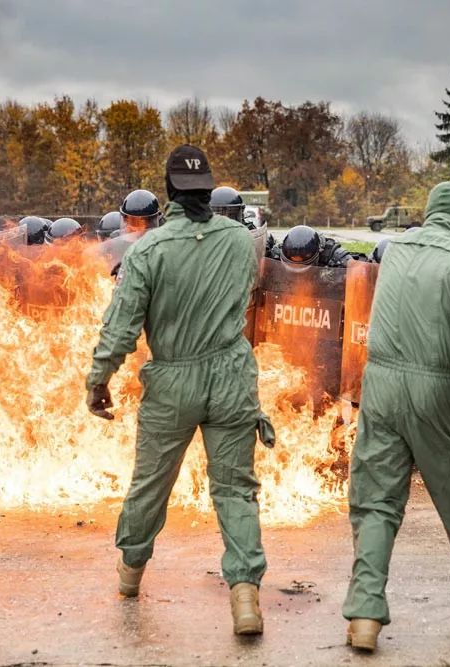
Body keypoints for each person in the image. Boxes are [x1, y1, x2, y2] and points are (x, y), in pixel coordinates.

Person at [86, 145, 269, 635]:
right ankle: (246, 598)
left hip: (173, 380)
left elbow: (122, 326)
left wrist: (99, 377)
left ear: (168, 193)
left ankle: (129, 578)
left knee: (151, 484)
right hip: (232, 376)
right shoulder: (240, 240)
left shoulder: (146, 250)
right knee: (235, 490)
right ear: (209, 189)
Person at [343, 181, 450, 652]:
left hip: (380, 385)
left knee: (375, 500)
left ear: (430, 210)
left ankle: (364, 613)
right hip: (438, 389)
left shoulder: (394, 253)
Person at [276, 225, 352, 267]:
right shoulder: (276, 252)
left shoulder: (334, 255)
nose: (297, 267)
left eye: (302, 264)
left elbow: (354, 269)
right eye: (294, 263)